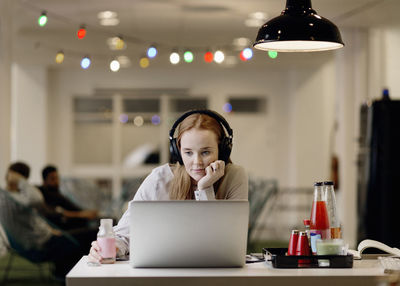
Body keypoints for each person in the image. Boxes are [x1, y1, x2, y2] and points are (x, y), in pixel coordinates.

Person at [88, 109, 248, 263]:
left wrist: (205, 188)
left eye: (205, 152)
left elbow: (222, 243)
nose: (197, 162)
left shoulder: (235, 176)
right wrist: (112, 246)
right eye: (188, 152)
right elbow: (124, 233)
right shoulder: (160, 179)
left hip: (217, 273)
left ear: (222, 150)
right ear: (178, 152)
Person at [3, 162, 87, 279]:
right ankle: (68, 274)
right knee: (90, 235)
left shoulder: (16, 198)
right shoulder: (10, 199)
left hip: (46, 238)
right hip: (42, 245)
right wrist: (21, 181)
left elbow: (33, 222)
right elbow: (37, 200)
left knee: (82, 233)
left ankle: (64, 271)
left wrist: (50, 230)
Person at [37, 165, 98, 230]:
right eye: (53, 179)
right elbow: (52, 213)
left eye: (57, 178)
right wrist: (79, 215)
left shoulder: (56, 194)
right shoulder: (39, 193)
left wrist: (86, 213)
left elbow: (73, 207)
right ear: (44, 180)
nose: (56, 182)